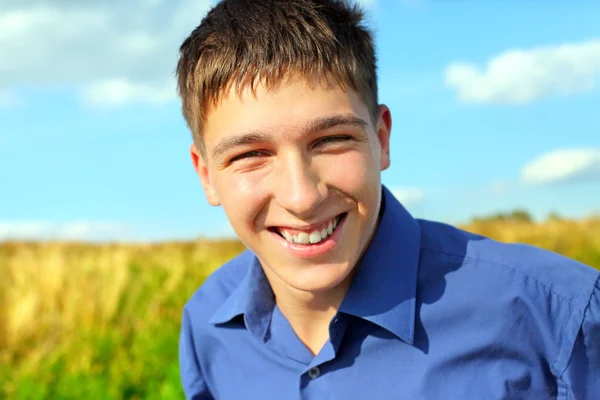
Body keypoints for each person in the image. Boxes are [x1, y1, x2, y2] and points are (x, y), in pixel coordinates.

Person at [175, 1, 600, 398]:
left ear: (381, 140)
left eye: (332, 140)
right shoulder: (207, 325)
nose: (301, 197)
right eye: (251, 155)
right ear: (206, 174)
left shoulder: (556, 316)